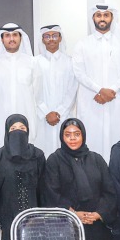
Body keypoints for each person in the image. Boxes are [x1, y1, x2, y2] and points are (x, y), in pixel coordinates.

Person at [42, 118, 117, 240]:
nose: (72, 138)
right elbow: (51, 192)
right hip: (67, 227)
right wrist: (74, 214)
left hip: (96, 226)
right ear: (62, 137)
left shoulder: (96, 159)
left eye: (77, 134)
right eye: (68, 135)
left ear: (83, 135)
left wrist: (98, 214)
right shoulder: (54, 160)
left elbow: (110, 192)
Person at [73, 5, 120, 157]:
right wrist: (99, 90)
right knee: (92, 139)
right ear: (93, 18)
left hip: (118, 100)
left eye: (106, 15)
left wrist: (112, 90)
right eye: (98, 15)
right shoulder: (83, 44)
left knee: (119, 139)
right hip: (92, 101)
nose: (102, 18)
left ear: (112, 18)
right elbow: (79, 72)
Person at [0, 114, 45, 240]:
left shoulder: (37, 155)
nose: (18, 132)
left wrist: (43, 219)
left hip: (34, 222)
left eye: (22, 128)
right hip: (6, 223)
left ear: (28, 131)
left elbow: (43, 190)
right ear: (7, 132)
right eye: (13, 129)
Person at [0, 23, 36, 150]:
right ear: (1, 39)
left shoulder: (32, 63)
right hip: (0, 117)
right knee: (0, 152)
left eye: (15, 35)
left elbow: (37, 91)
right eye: (7, 36)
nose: (11, 39)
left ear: (21, 38)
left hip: (27, 114)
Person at [32, 24, 77, 152]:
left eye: (54, 36)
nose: (51, 39)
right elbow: (33, 91)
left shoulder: (69, 62)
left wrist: (60, 112)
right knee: (41, 151)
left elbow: (72, 89)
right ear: (42, 39)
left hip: (64, 116)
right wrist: (45, 112)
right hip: (41, 117)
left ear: (60, 38)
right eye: (47, 36)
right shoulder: (35, 62)